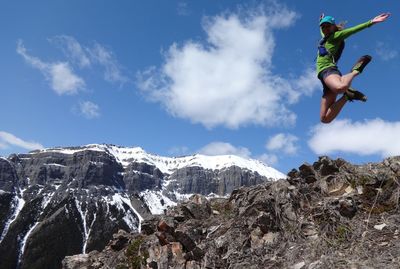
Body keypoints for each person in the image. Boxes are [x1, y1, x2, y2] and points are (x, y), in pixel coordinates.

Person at [316, 13, 390, 123]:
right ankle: (348, 96)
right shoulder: (324, 38)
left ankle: (355, 71)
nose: (325, 28)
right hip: (323, 78)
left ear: (333, 26)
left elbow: (353, 30)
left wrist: (371, 22)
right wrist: (320, 21)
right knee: (324, 119)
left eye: (328, 26)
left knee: (340, 87)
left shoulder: (337, 36)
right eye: (323, 26)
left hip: (329, 70)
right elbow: (322, 31)